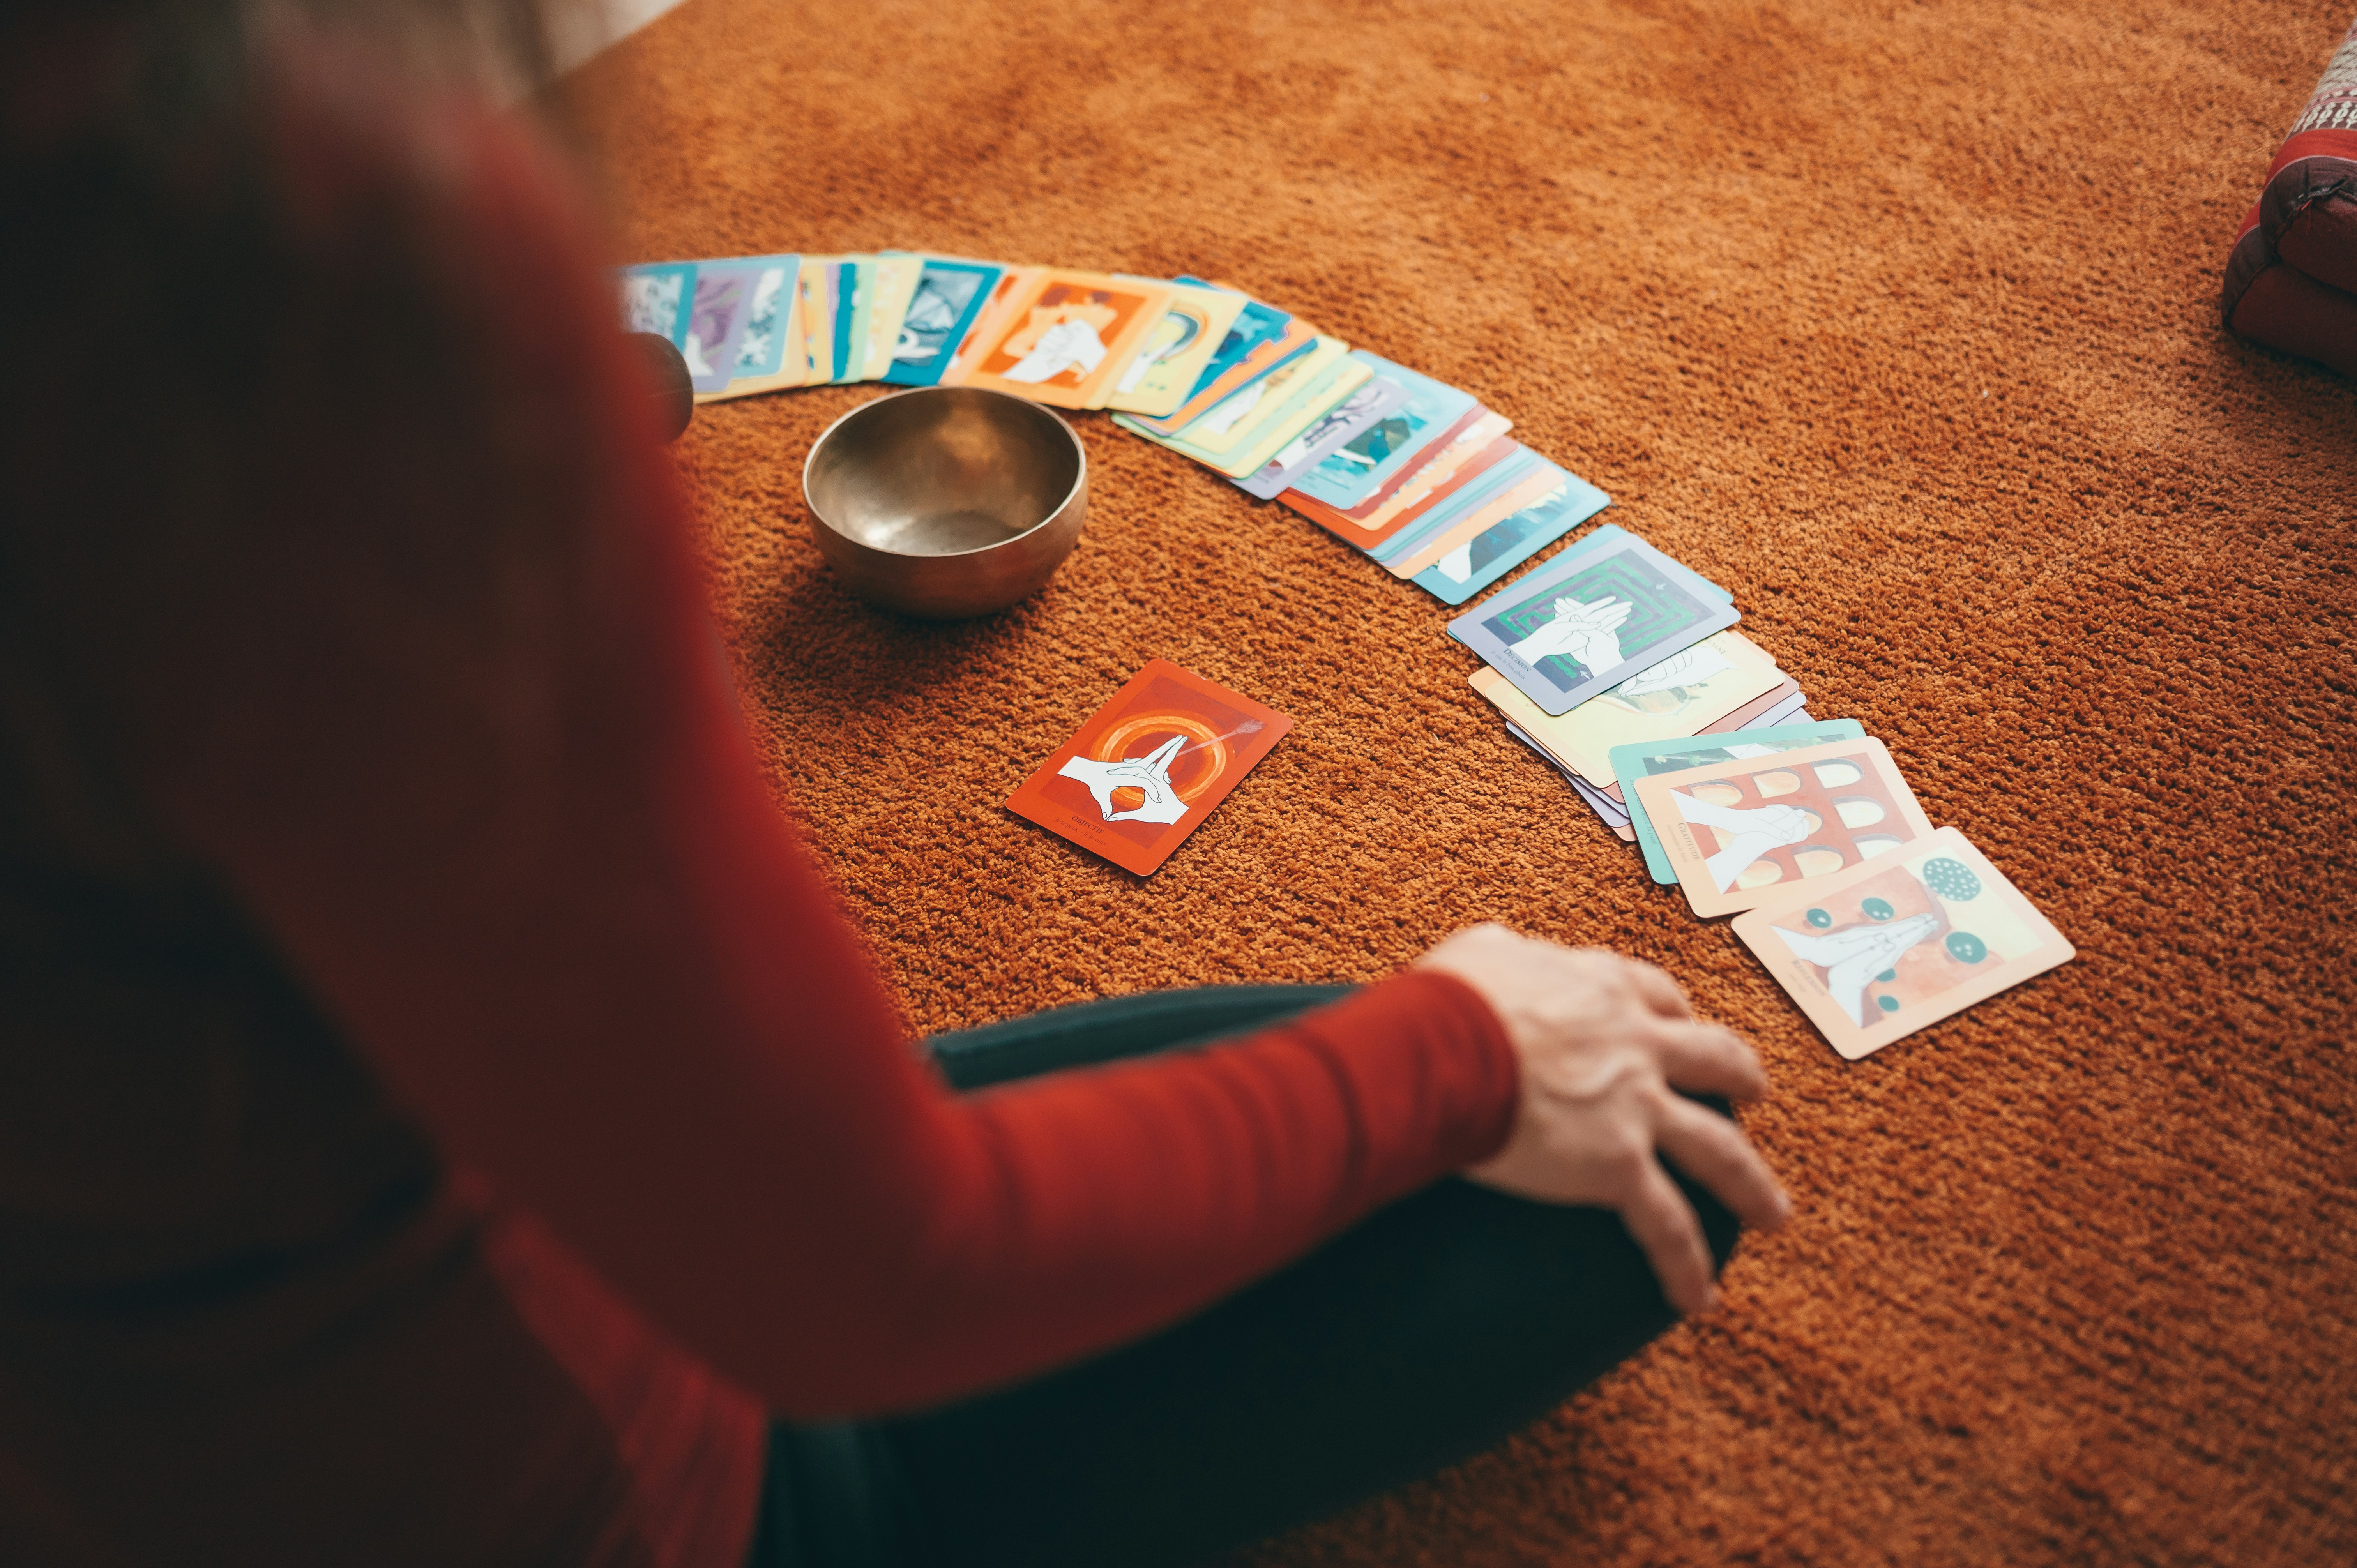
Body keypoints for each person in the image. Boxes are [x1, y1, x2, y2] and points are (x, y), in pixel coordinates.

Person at [0, 3, 1789, 1565]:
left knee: (1430, 1072)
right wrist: (1465, 1054)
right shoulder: (297, 295)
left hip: (162, 1423)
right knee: (1623, 1157)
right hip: (622, 1475)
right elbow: (874, 1281)